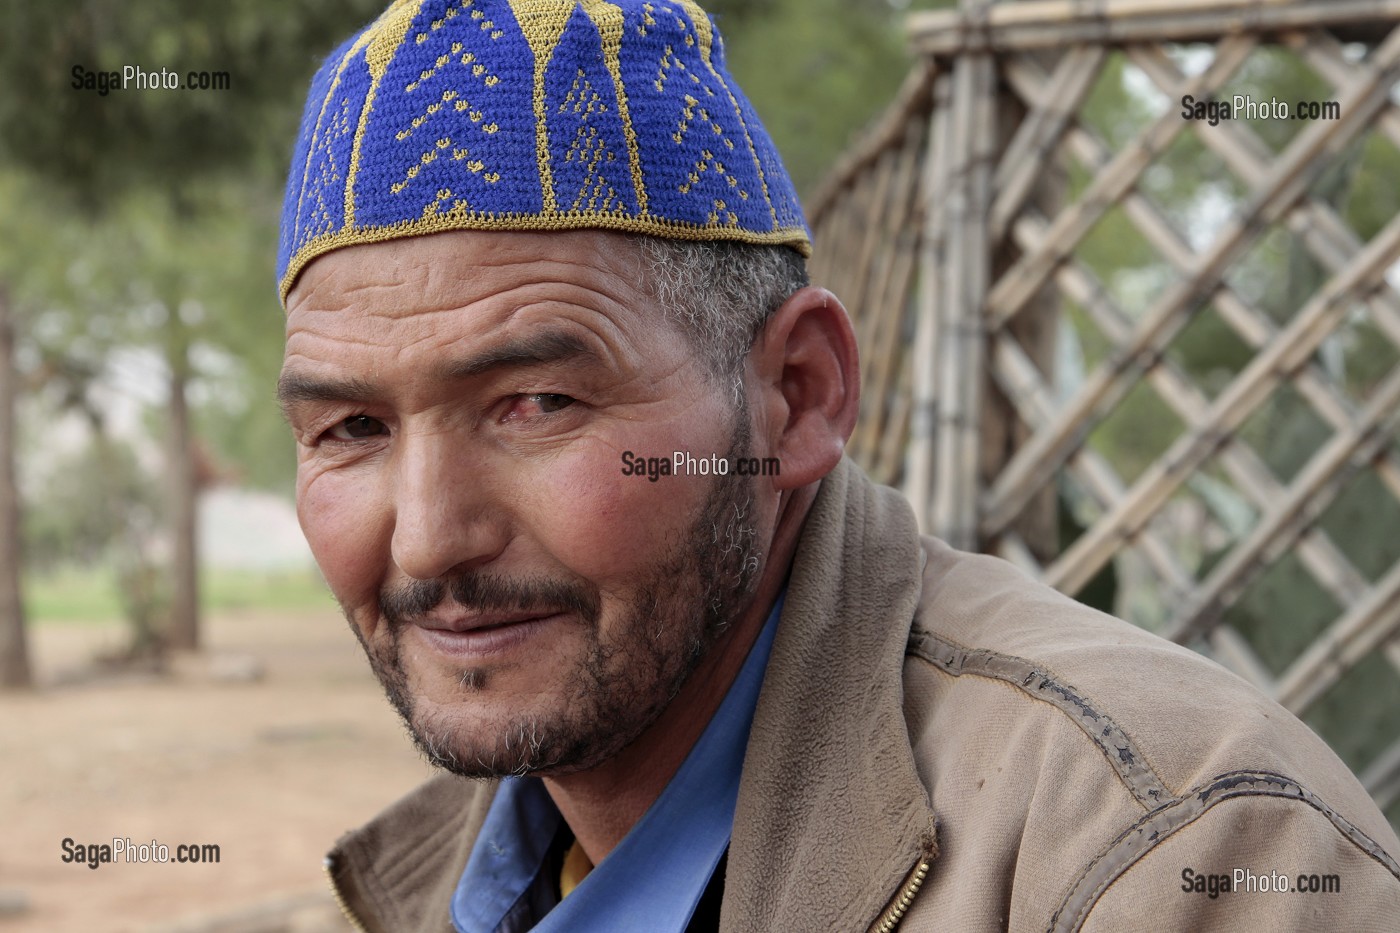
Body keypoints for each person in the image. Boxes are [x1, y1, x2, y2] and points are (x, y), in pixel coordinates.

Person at [274, 1, 1400, 930]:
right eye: (351, 430)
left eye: (536, 404)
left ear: (796, 396)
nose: (426, 540)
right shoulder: (426, 887)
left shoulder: (1170, 855)